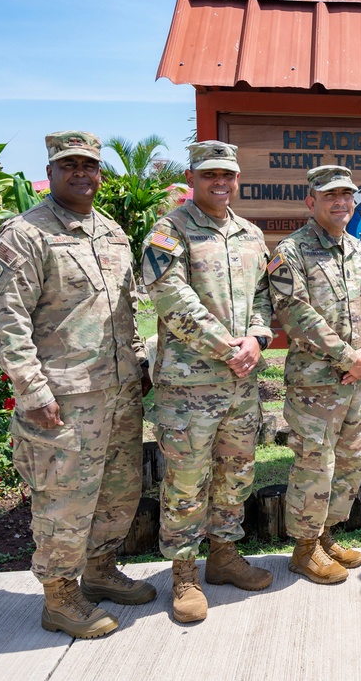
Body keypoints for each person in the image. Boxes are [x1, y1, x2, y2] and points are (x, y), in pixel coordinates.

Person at [0, 131, 155, 639]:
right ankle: (58, 596)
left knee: (118, 492)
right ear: (52, 170)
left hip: (120, 391)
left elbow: (125, 308)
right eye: (69, 165)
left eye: (89, 165)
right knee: (64, 500)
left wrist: (140, 362)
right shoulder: (26, 234)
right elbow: (4, 320)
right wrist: (31, 391)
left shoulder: (111, 232)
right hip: (62, 398)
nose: (81, 173)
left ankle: (100, 571)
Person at [143, 140, 275, 623]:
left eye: (227, 175)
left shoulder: (249, 234)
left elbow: (264, 295)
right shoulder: (169, 231)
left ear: (237, 178)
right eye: (209, 175)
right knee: (185, 480)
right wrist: (228, 348)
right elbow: (171, 298)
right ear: (193, 177)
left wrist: (257, 339)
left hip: (240, 385)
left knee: (235, 473)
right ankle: (183, 572)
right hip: (189, 387)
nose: (220, 183)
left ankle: (223, 556)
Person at [268, 165, 361, 584]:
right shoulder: (292, 251)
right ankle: (303, 549)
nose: (340, 202)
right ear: (311, 201)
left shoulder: (358, 249)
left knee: (352, 460)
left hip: (356, 382)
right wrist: (346, 357)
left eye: (346, 195)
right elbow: (295, 313)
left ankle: (325, 535)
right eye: (330, 195)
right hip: (315, 382)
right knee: (316, 463)